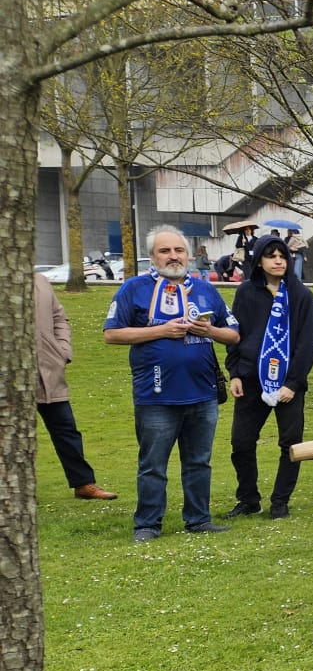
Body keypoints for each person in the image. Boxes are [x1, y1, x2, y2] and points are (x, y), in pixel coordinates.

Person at [102, 225, 242, 543]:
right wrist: (162, 331)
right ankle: (147, 525)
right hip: (155, 395)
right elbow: (112, 334)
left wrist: (210, 332)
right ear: (152, 257)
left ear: (189, 256)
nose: (173, 256)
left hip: (203, 393)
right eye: (165, 251)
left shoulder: (207, 290)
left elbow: (233, 334)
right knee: (153, 465)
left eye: (178, 250)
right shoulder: (133, 289)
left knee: (198, 462)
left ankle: (198, 519)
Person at [222, 236, 313, 520]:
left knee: (291, 444)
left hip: (289, 384)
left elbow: (306, 342)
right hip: (252, 378)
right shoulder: (246, 293)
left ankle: (280, 502)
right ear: (259, 260)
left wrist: (293, 383)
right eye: (271, 256)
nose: (278, 261)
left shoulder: (301, 295)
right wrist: (235, 373)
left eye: (282, 256)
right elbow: (236, 335)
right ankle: (249, 499)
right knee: (241, 443)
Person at [33, 271, 117, 501]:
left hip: (48, 371)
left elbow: (59, 317)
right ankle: (14, 489)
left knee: (66, 428)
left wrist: (62, 351)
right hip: (11, 376)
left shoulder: (39, 281)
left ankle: (83, 484)